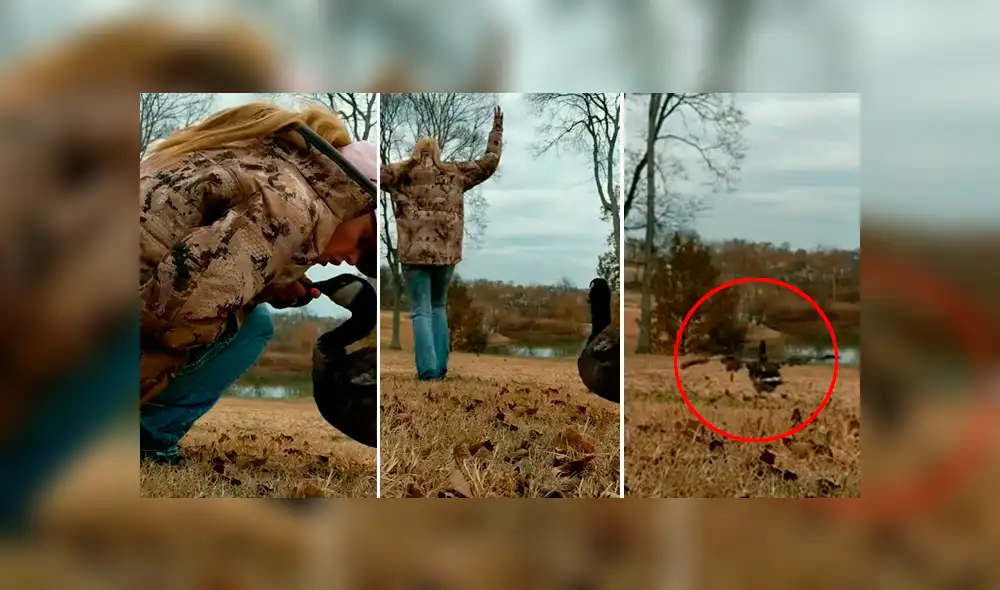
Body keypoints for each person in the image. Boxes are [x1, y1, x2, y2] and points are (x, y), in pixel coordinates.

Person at [140, 102, 378, 465]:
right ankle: (147, 435)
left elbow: (189, 265)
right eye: (363, 244)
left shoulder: (263, 161)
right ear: (352, 202)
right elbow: (177, 319)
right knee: (254, 327)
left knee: (250, 316)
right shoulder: (292, 206)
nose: (351, 258)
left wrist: (263, 286)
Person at [380, 106, 503, 381]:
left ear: (415, 151)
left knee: (420, 310)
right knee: (438, 306)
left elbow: (368, 173)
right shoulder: (455, 173)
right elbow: (489, 162)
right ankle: (441, 368)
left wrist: (406, 164)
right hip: (445, 255)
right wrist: (496, 132)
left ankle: (428, 372)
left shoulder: (399, 175)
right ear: (437, 153)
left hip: (413, 254)